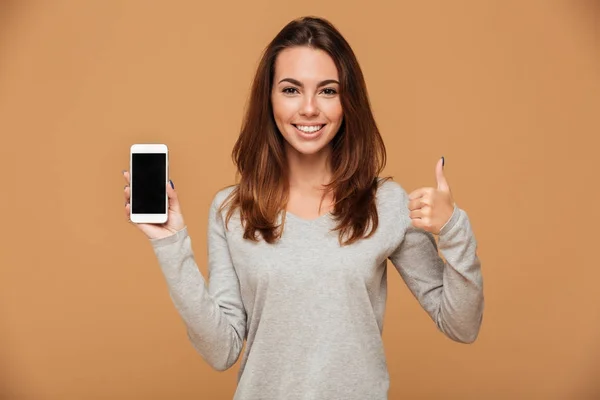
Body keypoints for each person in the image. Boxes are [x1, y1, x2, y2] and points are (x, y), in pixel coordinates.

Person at [122, 16, 484, 400]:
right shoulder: (232, 209)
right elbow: (221, 350)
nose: (309, 108)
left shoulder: (385, 204)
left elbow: (462, 325)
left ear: (348, 102)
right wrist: (170, 243)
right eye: (291, 89)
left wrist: (454, 229)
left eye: (328, 91)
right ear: (270, 99)